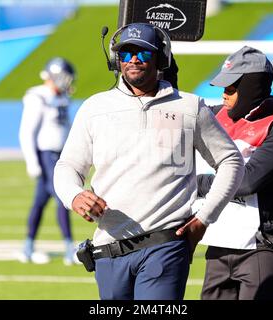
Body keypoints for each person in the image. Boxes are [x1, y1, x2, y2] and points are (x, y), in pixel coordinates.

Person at [54, 23, 244, 300]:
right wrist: (74, 195)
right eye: (126, 53)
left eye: (143, 53)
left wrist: (204, 218)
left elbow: (230, 161)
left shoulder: (190, 107)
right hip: (109, 249)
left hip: (165, 245)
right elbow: (68, 166)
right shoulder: (94, 108)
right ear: (115, 60)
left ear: (161, 59)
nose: (133, 59)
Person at [197, 46, 273, 300]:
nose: (224, 95)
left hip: (264, 246)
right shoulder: (215, 116)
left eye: (231, 88)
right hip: (221, 242)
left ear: (252, 87)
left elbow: (245, 181)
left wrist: (197, 183)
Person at [18, 57, 78, 265]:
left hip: (59, 154)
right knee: (63, 197)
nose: (67, 81)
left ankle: (27, 247)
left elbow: (66, 127)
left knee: (40, 201)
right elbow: (27, 132)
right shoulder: (37, 96)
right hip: (46, 154)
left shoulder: (61, 97)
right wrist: (32, 162)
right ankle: (70, 248)